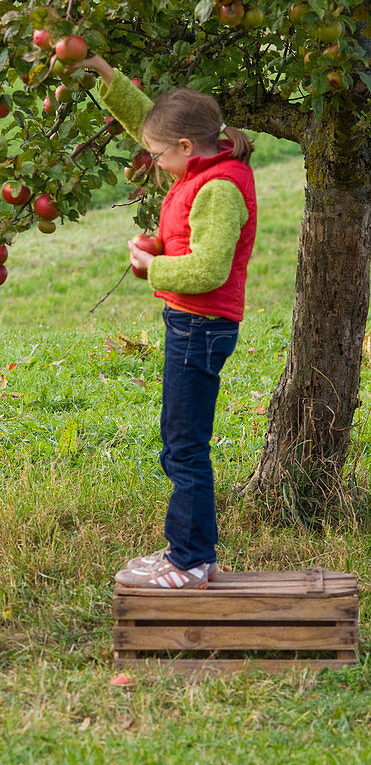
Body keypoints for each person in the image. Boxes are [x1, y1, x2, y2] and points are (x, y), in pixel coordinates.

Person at [83, 56, 257, 589]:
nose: (153, 161)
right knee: (179, 441)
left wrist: (150, 264)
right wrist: (101, 72)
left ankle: (190, 562)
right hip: (190, 324)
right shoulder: (202, 164)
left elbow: (208, 268)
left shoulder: (219, 190)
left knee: (184, 447)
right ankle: (189, 551)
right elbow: (148, 124)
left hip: (201, 329)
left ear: (185, 148)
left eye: (158, 155)